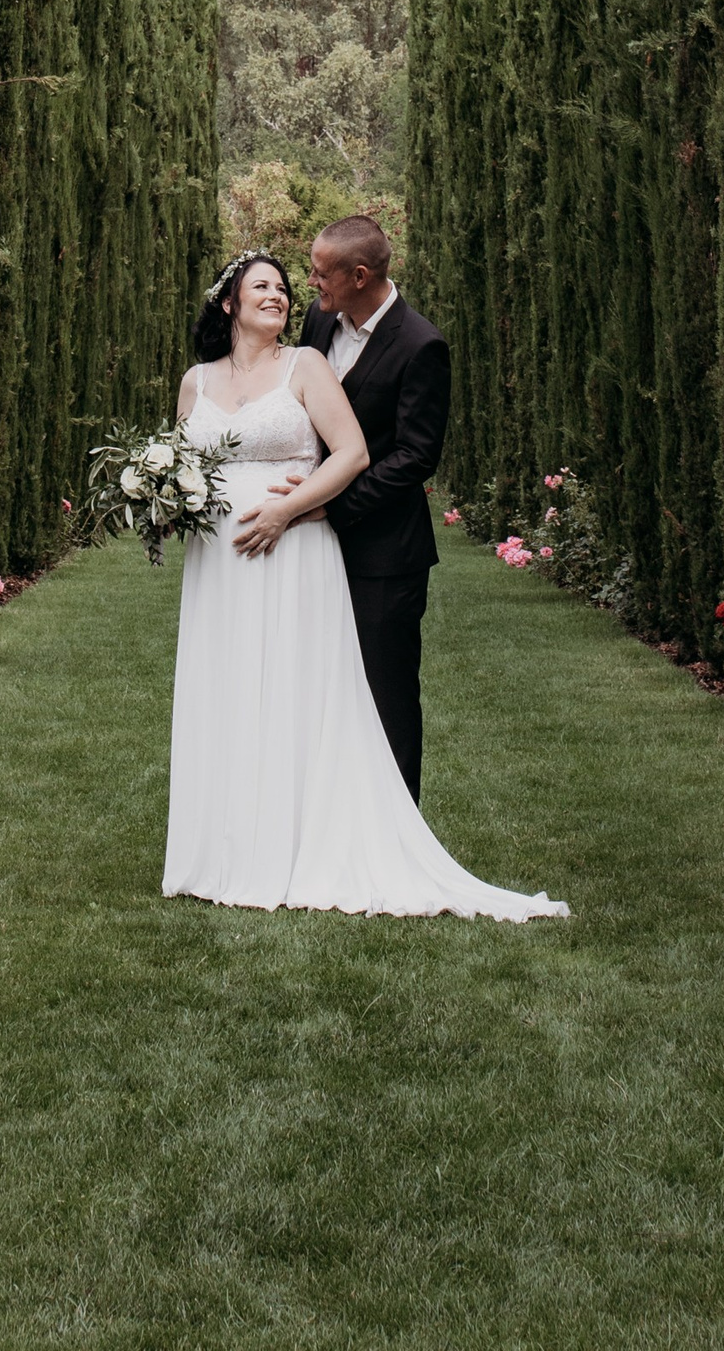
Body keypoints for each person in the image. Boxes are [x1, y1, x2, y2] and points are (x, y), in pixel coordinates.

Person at [161, 244, 566, 920]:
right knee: (226, 688)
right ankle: (225, 847)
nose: (284, 294)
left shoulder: (319, 359)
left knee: (308, 694)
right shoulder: (199, 380)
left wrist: (292, 509)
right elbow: (178, 458)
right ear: (228, 302)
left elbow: (360, 452)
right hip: (218, 567)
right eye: (263, 286)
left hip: (298, 548)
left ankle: (341, 836)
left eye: (287, 287)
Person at [297, 214, 446, 799]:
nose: (310, 282)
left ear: (359, 275)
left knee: (386, 697)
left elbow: (414, 457)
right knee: (319, 686)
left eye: (319, 272)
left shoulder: (421, 345)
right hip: (309, 546)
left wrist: (329, 506)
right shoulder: (319, 320)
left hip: (385, 555)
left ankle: (400, 837)